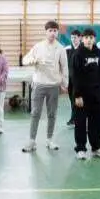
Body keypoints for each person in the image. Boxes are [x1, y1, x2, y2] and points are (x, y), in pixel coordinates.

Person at [21, 21, 69, 152]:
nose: (53, 33)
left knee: (52, 114)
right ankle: (32, 141)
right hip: (39, 85)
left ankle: (49, 139)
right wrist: (33, 61)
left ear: (57, 32)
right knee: (35, 113)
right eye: (50, 30)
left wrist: (65, 84)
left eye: (55, 31)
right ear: (46, 32)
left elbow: (65, 67)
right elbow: (24, 60)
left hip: (53, 86)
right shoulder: (38, 46)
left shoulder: (61, 48)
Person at [70, 28, 100, 159]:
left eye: (91, 37)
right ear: (82, 39)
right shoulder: (78, 54)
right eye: (86, 38)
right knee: (80, 122)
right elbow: (75, 76)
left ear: (94, 39)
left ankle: (96, 147)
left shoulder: (98, 52)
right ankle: (80, 148)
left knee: (96, 121)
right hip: (81, 94)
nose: (89, 40)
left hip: (96, 93)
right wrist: (77, 95)